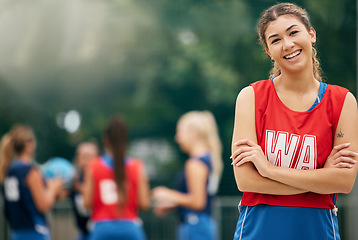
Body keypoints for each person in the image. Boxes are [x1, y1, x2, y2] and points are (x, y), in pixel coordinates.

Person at [231, 3, 358, 240]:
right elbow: (245, 180)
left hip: (318, 231)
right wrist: (320, 180)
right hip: (258, 230)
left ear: (311, 35)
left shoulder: (343, 101)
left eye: (293, 32)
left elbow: (344, 181)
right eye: (276, 40)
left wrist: (268, 170)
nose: (287, 44)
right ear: (268, 51)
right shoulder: (251, 97)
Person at [152, 111, 223, 240]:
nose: (177, 138)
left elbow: (198, 202)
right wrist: (174, 204)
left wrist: (167, 194)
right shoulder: (210, 159)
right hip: (205, 224)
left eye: (180, 132)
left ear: (194, 133)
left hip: (194, 225)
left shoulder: (195, 163)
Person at [83, 116, 150, 240]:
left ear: (105, 139)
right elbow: (145, 204)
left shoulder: (93, 166)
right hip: (131, 229)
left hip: (102, 229)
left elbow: (86, 203)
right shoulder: (137, 167)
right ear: (125, 139)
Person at [0, 124, 64, 240]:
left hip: (16, 232)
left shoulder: (7, 171)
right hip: (34, 232)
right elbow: (44, 205)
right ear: (28, 144)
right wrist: (53, 187)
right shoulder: (30, 171)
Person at [70, 142, 99, 240]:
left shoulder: (101, 179)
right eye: (83, 157)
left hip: (98, 231)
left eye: (90, 157)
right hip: (83, 232)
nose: (87, 161)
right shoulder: (74, 179)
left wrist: (79, 188)